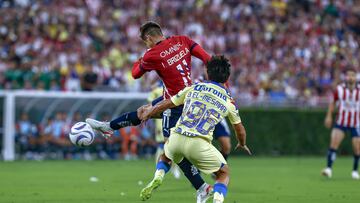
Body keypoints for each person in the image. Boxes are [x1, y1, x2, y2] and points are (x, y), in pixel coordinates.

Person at [86, 21, 213, 202]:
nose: (146, 46)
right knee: (143, 112)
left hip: (174, 104)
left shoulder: (152, 53)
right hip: (190, 96)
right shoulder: (182, 40)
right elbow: (207, 58)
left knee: (171, 149)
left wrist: (142, 57)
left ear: (149, 38)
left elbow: (135, 74)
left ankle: (202, 187)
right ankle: (109, 127)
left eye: (145, 43)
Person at [140, 55, 251, 203]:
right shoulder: (228, 100)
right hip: (199, 143)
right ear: (227, 77)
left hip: (177, 137)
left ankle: (158, 176)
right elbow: (240, 130)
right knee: (223, 173)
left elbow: (167, 103)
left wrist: (149, 112)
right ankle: (217, 200)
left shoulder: (193, 87)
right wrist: (242, 143)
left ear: (207, 73)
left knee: (166, 156)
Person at [322, 68, 360, 180]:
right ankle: (328, 169)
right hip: (341, 122)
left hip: (356, 123)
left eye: (352, 75)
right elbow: (332, 102)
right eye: (348, 75)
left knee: (357, 148)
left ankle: (354, 171)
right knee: (333, 144)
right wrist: (329, 116)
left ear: (356, 77)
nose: (350, 77)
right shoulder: (339, 89)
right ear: (346, 77)